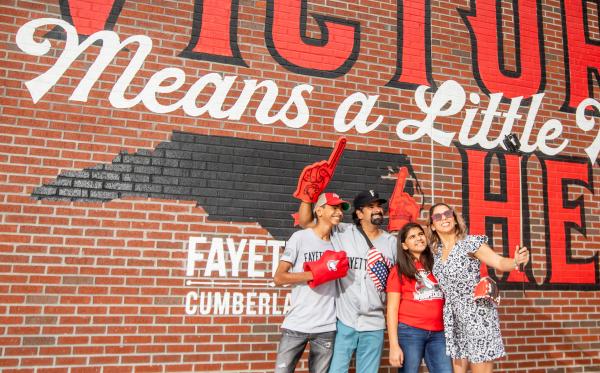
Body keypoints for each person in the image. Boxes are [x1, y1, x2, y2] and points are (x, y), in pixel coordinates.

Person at [298, 190, 397, 373]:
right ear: (359, 214)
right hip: (344, 321)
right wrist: (307, 197)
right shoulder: (342, 232)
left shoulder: (392, 243)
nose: (377, 210)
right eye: (370, 207)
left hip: (374, 324)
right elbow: (306, 223)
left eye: (379, 206)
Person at [427, 203, 530, 373]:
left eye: (447, 213)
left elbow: (498, 262)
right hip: (453, 316)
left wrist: (515, 262)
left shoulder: (470, 243)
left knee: (480, 368)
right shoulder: (434, 252)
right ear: (432, 225)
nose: (443, 218)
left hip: (476, 313)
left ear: (454, 217)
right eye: (437, 216)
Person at [274, 192, 351, 373]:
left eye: (341, 208)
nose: (339, 212)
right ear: (319, 211)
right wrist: (316, 273)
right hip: (296, 324)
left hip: (326, 327)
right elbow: (279, 277)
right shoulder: (300, 237)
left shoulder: (339, 242)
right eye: (334, 207)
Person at [386, 222, 452, 373]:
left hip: (439, 332)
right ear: (404, 245)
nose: (419, 238)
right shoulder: (399, 271)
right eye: (412, 237)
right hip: (410, 331)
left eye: (421, 234)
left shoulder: (437, 266)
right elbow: (392, 309)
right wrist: (394, 346)